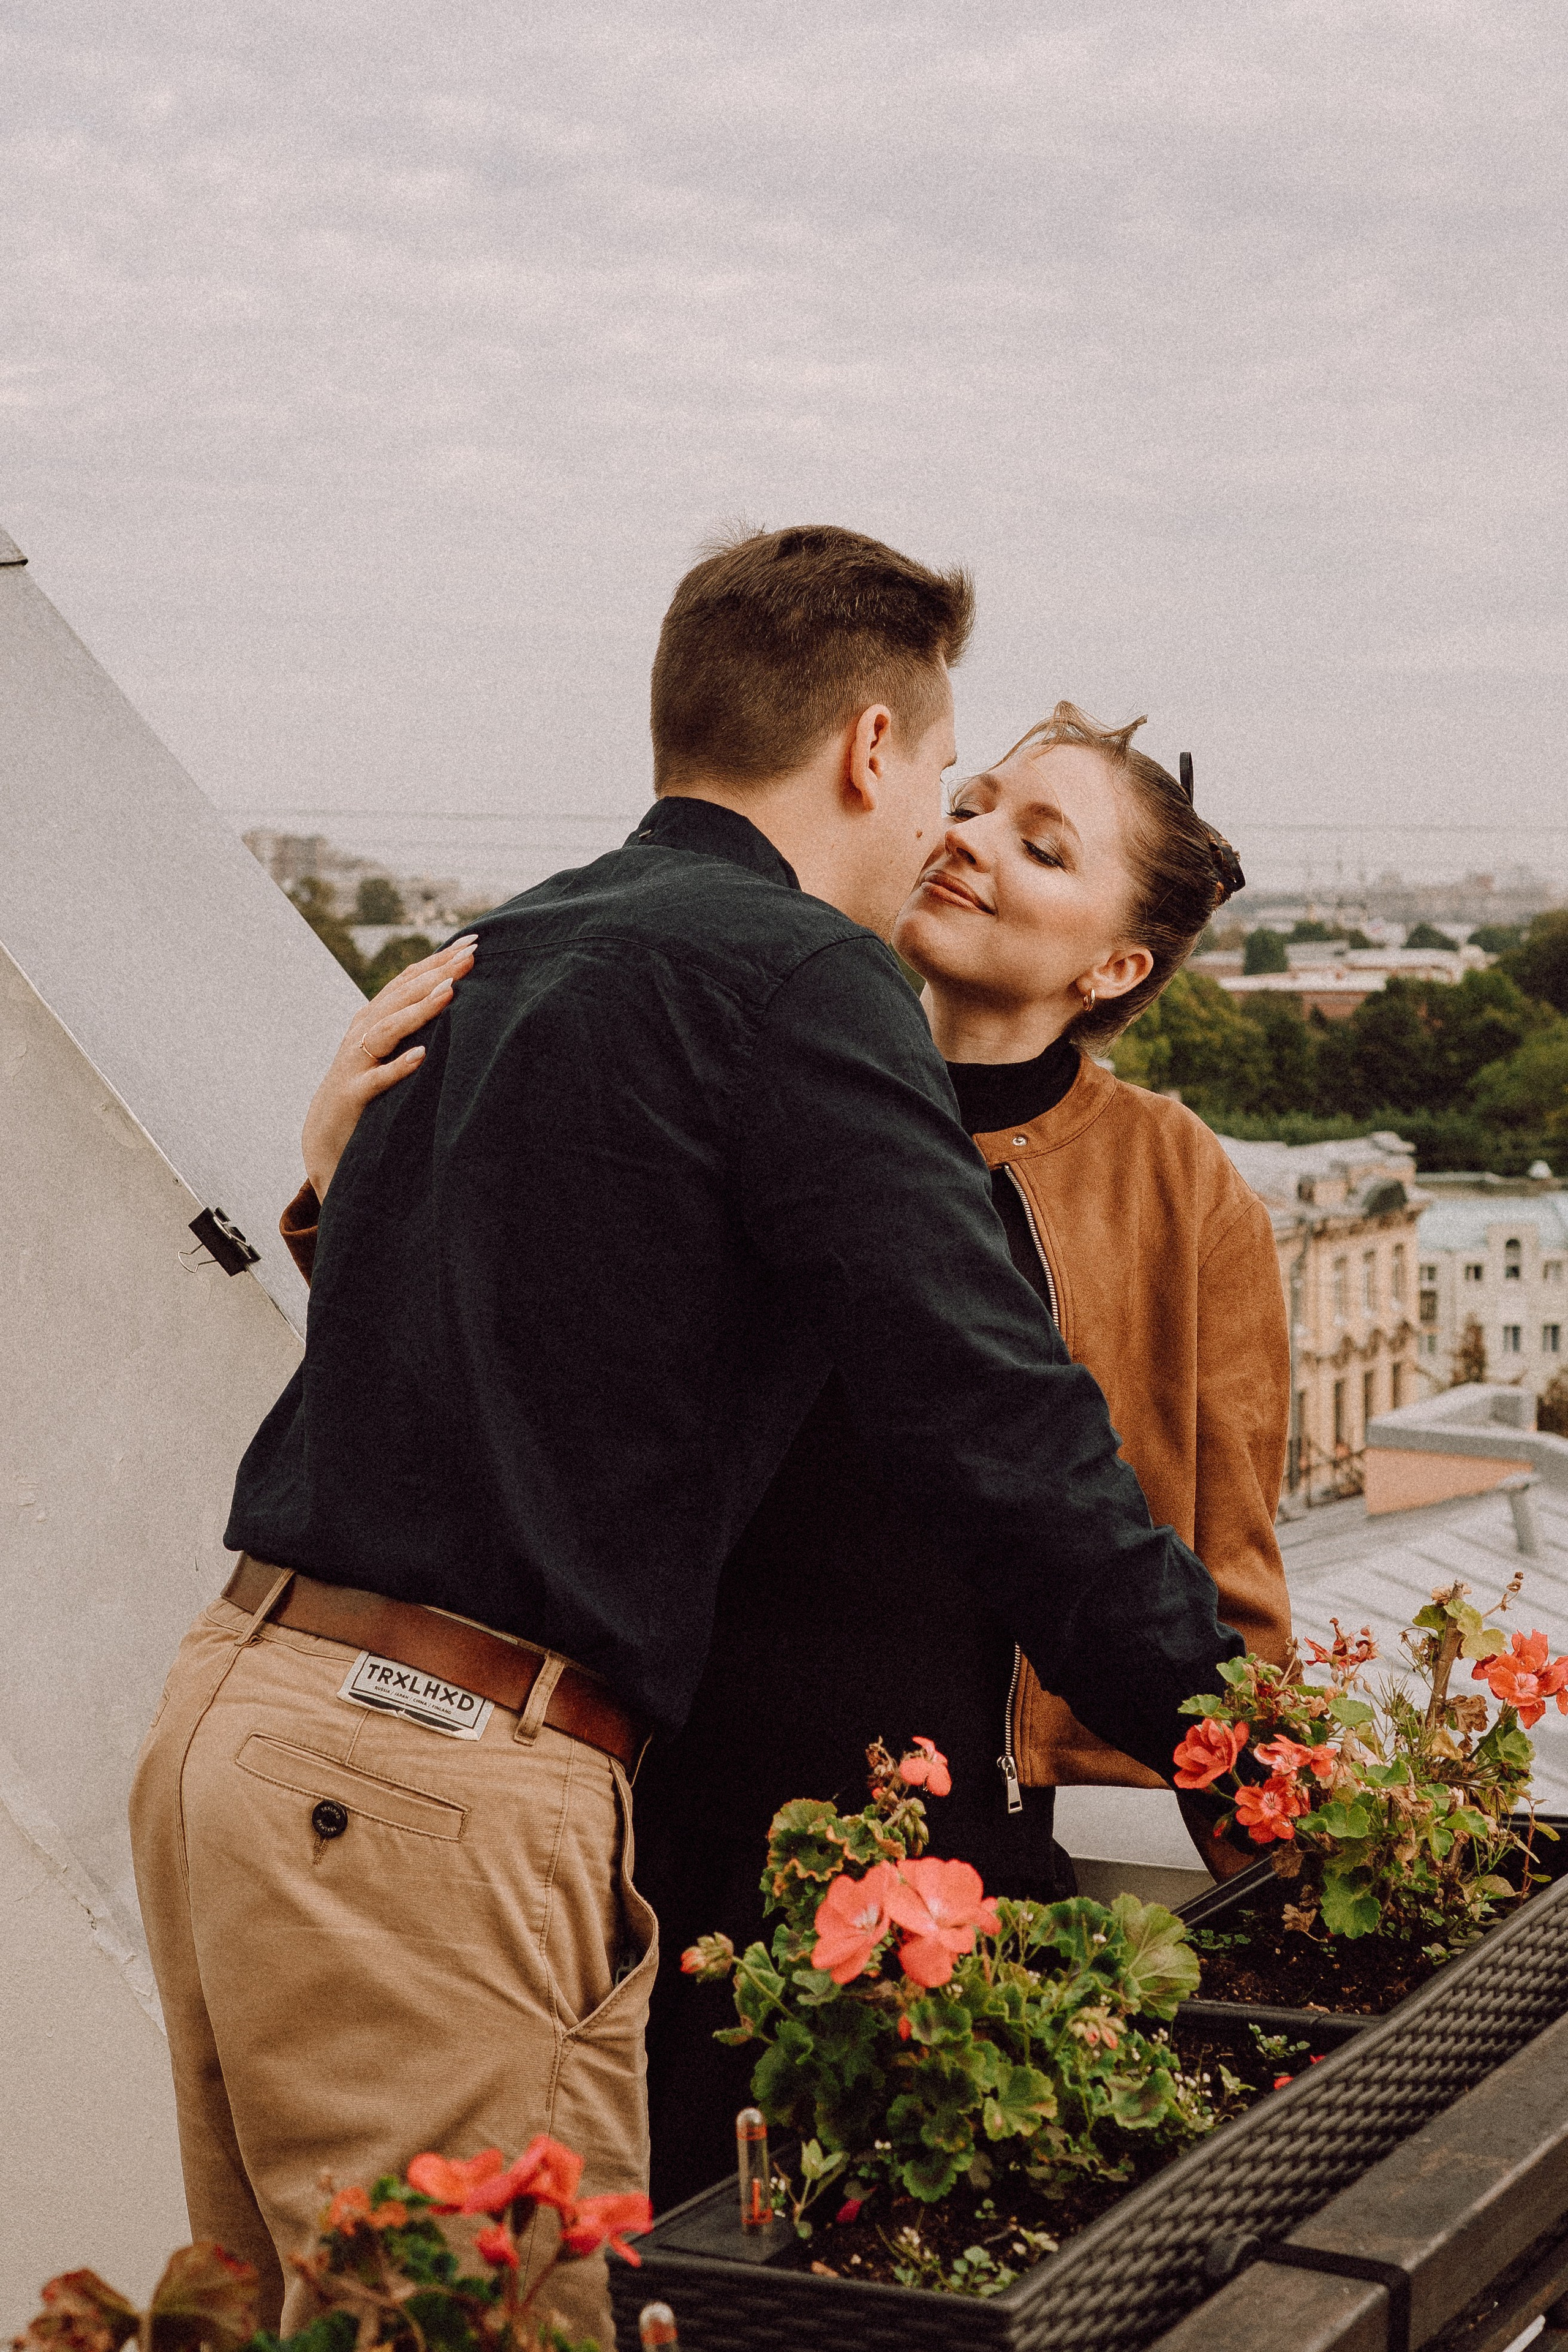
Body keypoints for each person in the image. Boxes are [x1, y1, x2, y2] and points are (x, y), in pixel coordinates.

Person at [130, 526, 1245, 2334]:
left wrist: (336, 1201)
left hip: (240, 1734)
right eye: (947, 778)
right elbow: (998, 1420)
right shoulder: (805, 978)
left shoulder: (509, 944)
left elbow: (519, 1345)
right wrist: (1244, 1744)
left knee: (292, 2316)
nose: (938, 831)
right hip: (431, 1779)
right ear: (869, 749)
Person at [287, 703, 1291, 2214]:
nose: (966, 840)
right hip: (652, 1814)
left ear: (1115, 968)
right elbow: (520, 1366)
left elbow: (1220, 1547)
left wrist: (1289, 1845)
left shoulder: (1174, 1182)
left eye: (1041, 843)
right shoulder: (760, 1055)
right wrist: (335, 1191)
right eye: (969, 801)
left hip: (940, 1845)